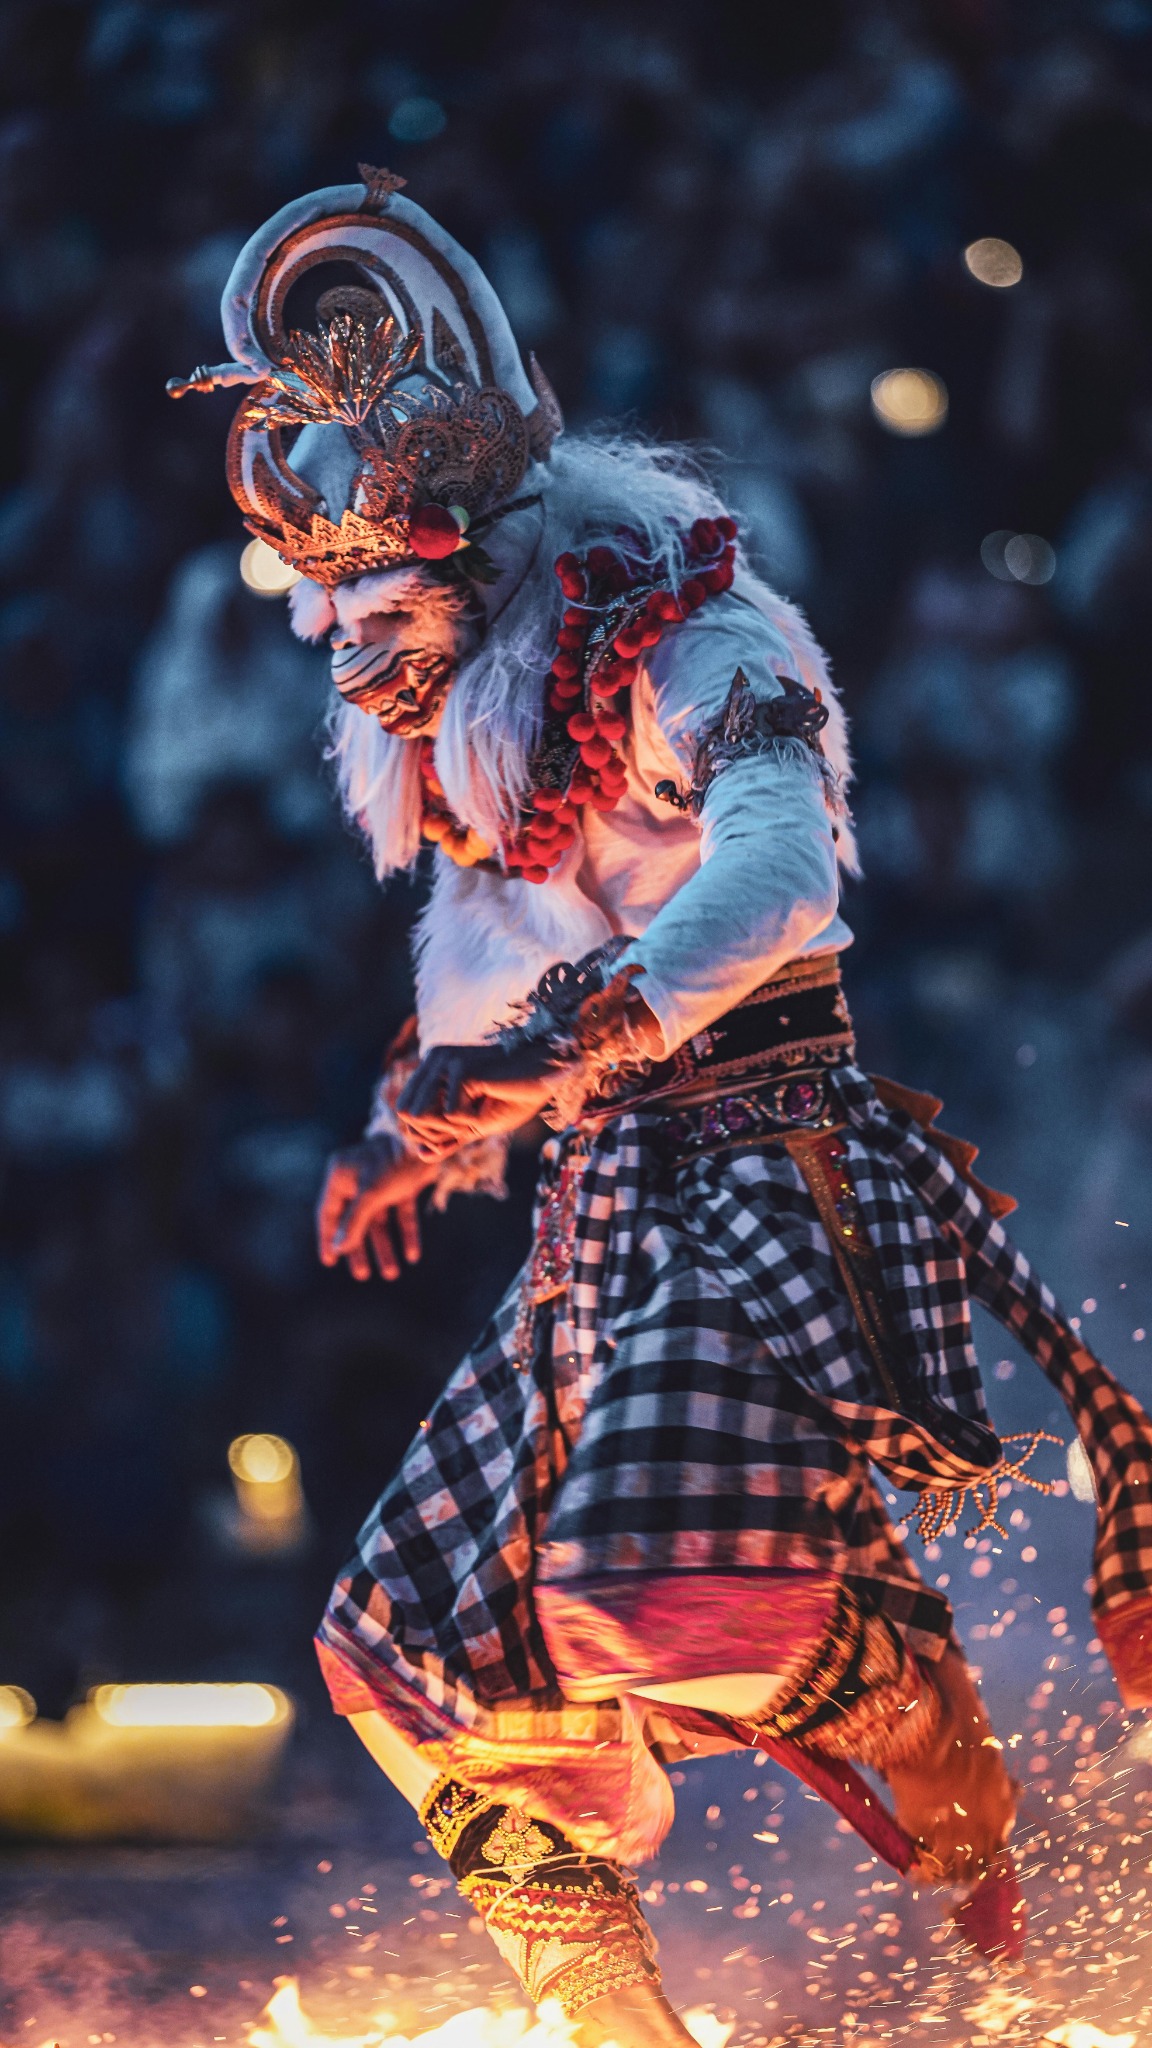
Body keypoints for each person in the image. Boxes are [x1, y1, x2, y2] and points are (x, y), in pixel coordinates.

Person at [172, 167, 1152, 2046]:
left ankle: (904, 1700)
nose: (359, 648)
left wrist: (561, 1047)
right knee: (407, 1655)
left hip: (768, 1173)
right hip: (600, 1209)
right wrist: (424, 1125)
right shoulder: (474, 725)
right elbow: (483, 937)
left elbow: (783, 885)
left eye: (388, 596)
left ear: (485, 544)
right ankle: (621, 2029)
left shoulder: (700, 639)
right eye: (339, 609)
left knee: (655, 1580)